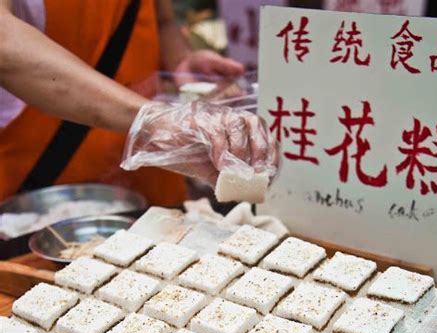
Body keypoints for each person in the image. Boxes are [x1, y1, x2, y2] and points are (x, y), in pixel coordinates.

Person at [0, 0, 277, 205]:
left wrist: (179, 59)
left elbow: (159, 17)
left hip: (153, 164)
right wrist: (152, 119)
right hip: (43, 187)